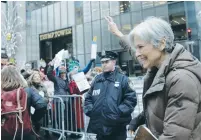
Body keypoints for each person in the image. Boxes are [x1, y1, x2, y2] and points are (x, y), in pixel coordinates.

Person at [126, 17, 201, 139]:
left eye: (140, 47)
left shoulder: (181, 79)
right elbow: (162, 108)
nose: (137, 53)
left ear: (161, 44)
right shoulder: (159, 72)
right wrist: (139, 119)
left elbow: (174, 136)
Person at [84, 51, 137, 140]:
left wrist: (118, 112)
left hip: (117, 128)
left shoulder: (123, 79)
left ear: (114, 62)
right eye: (102, 62)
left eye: (107, 62)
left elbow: (131, 100)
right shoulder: (97, 79)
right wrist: (91, 110)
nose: (104, 64)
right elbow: (88, 98)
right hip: (100, 127)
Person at [1, 65, 47, 140]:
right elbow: (42, 104)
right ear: (19, 77)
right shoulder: (27, 91)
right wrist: (33, 119)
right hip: (24, 130)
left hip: (3, 132)